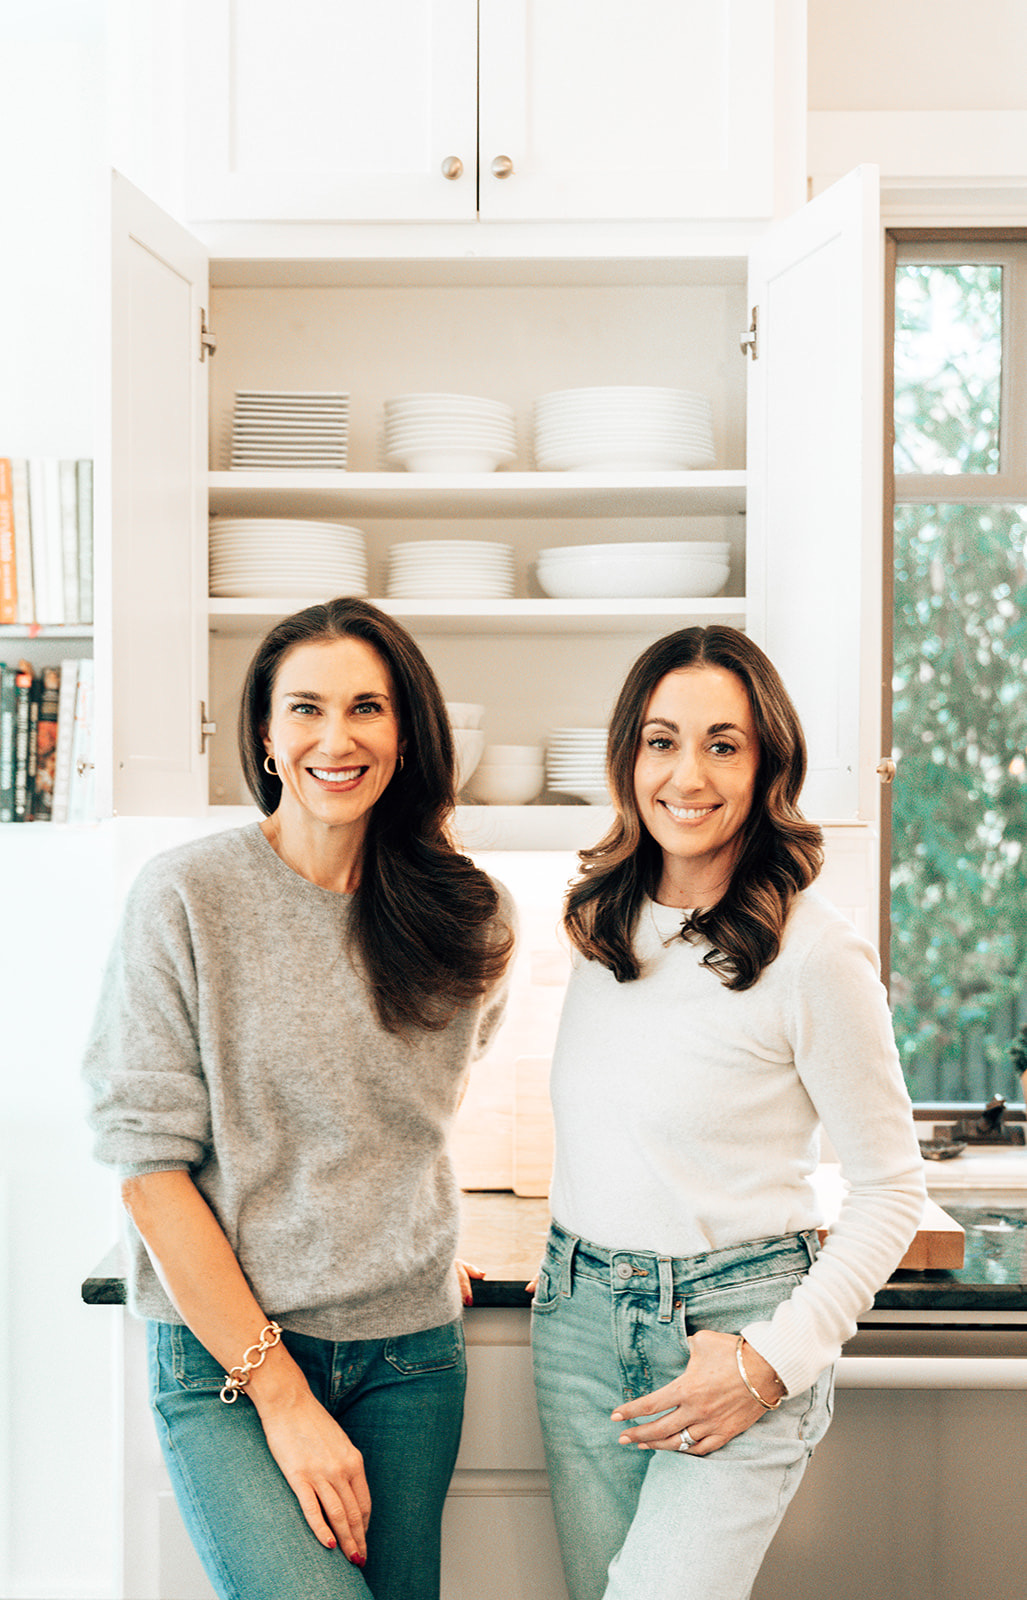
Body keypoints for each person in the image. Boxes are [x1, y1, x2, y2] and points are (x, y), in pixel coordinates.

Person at [83, 596, 516, 1600]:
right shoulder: (185, 896)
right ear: (267, 736)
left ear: (406, 733)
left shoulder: (470, 914)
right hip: (229, 1365)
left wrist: (392, 1234)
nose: (336, 737)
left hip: (408, 1358)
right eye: (306, 708)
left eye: (367, 707)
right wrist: (282, 1397)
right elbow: (148, 1173)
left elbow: (411, 1117)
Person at [531, 625, 925, 1600]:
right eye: (661, 741)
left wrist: (767, 1363)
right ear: (628, 758)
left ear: (765, 766)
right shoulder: (598, 924)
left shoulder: (814, 951)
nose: (687, 774)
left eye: (722, 744)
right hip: (578, 1320)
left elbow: (890, 1190)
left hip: (735, 1326)